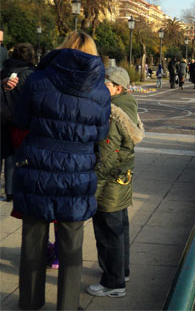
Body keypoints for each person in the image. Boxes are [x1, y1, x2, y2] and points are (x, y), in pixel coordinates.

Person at [13, 31, 111, 310]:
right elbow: (101, 133)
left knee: (33, 238)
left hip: (37, 164)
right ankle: (67, 305)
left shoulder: (38, 79)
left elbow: (20, 119)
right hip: (77, 170)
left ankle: (30, 301)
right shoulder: (100, 90)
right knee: (71, 242)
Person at [87, 66, 144, 298]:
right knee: (120, 229)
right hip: (122, 179)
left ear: (117, 88)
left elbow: (107, 154)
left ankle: (113, 282)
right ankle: (122, 271)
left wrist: (94, 181)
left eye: (105, 84)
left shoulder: (112, 113)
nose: (100, 87)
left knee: (108, 232)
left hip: (109, 182)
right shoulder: (129, 106)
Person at [0, 43, 36, 202]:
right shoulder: (31, 74)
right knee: (13, 157)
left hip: (2, 117)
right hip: (19, 120)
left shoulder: (4, 70)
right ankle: (10, 191)